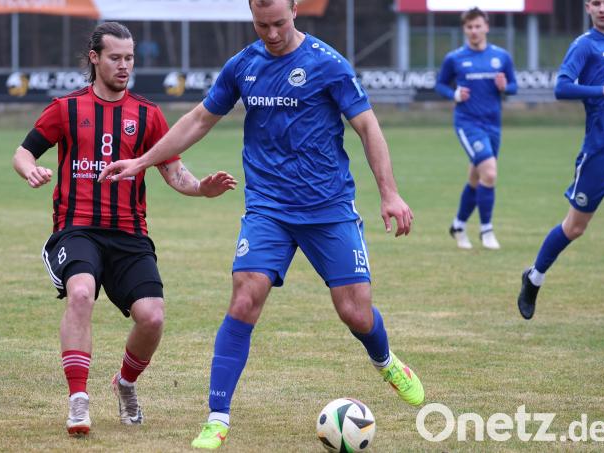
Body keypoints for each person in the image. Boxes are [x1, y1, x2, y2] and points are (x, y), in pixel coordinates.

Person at [98, 0, 424, 449]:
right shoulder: (243, 66)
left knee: (355, 311)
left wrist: (389, 192)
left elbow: (368, 127)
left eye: (278, 23)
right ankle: (217, 418)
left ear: (295, 10)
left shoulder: (328, 65)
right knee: (244, 298)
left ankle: (386, 361)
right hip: (269, 208)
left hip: (328, 207)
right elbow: (199, 119)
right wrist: (143, 161)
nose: (270, 33)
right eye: (260, 24)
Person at [12, 22, 236, 436]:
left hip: (130, 235)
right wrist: (31, 170)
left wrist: (201, 189)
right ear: (94, 58)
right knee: (80, 293)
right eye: (115, 57)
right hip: (76, 229)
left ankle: (125, 384)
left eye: (129, 58)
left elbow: (174, 171)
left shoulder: (148, 114)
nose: (124, 65)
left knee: (152, 318)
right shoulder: (66, 108)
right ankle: (78, 400)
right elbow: (23, 152)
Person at [517, 0, 604, 319]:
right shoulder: (584, 46)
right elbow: (562, 88)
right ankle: (534, 278)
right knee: (575, 227)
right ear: (588, 7)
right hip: (601, 152)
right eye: (596, 3)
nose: (602, 8)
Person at [435, 8, 517, 250]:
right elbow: (439, 84)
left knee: (476, 177)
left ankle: (458, 225)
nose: (474, 31)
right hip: (467, 123)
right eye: (469, 27)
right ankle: (487, 230)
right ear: (464, 29)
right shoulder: (455, 58)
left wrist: (506, 86)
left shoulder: (501, 57)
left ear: (487, 27)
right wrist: (454, 94)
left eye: (477, 26)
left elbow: (514, 87)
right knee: (489, 173)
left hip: (493, 124)